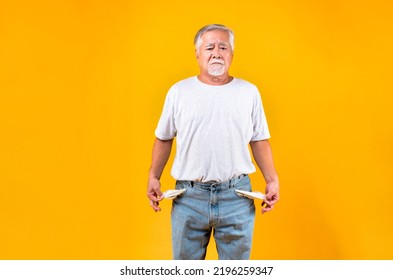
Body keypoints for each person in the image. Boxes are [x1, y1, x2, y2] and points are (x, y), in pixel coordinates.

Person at [147, 24, 279, 260]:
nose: (216, 53)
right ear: (198, 54)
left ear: (231, 54)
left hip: (237, 198)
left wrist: (272, 179)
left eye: (223, 47)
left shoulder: (249, 92)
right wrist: (153, 176)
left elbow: (259, 139)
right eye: (209, 47)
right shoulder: (179, 92)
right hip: (188, 197)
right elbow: (164, 137)